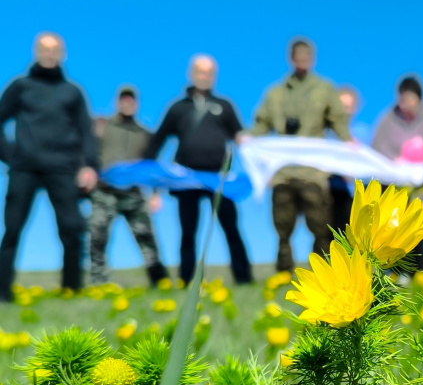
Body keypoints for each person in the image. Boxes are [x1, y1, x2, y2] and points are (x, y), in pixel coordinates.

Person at [0, 32, 98, 301]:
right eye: (44, 48)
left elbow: (86, 131)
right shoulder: (21, 86)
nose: (49, 53)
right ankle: (2, 293)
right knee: (12, 230)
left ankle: (72, 291)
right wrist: (11, 156)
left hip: (63, 169)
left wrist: (89, 165)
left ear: (62, 54)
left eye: (55, 49)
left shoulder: (73, 92)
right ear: (36, 51)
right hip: (24, 169)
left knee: (72, 230)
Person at [144, 55, 252, 285]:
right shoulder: (177, 108)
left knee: (231, 229)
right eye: (201, 72)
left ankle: (244, 278)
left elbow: (241, 138)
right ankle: (187, 280)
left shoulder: (224, 106)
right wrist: (154, 189)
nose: (205, 77)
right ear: (192, 74)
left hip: (218, 179)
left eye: (210, 73)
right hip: (186, 179)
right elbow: (157, 143)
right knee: (188, 232)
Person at [250, 38, 351, 272]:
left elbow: (338, 121)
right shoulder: (275, 93)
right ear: (291, 58)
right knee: (282, 227)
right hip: (283, 172)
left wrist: (349, 144)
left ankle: (322, 274)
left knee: (321, 227)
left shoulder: (325, 89)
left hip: (313, 173)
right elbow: (261, 124)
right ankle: (283, 275)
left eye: (307, 56)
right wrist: (246, 137)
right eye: (299, 56)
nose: (303, 60)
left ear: (313, 59)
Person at [89, 86, 168, 286]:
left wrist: (156, 194)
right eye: (124, 99)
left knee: (147, 238)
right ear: (117, 102)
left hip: (133, 194)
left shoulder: (144, 133)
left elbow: (153, 167)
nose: (127, 103)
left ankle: (160, 282)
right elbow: (87, 151)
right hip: (104, 192)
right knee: (97, 237)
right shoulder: (101, 126)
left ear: (136, 104)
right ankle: (99, 283)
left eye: (131, 99)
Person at [372, 76, 423, 271]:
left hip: (422, 187)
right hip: (392, 187)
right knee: (390, 232)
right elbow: (377, 147)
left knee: (417, 233)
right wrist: (394, 162)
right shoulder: (386, 119)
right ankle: (391, 274)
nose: (405, 103)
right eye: (402, 98)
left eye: (410, 98)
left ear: (419, 99)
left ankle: (416, 276)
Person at [327, 85, 371, 234]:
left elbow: (372, 164)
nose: (344, 111)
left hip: (353, 194)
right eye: (341, 106)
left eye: (348, 107)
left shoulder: (363, 132)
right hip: (329, 192)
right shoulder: (325, 133)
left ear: (355, 108)